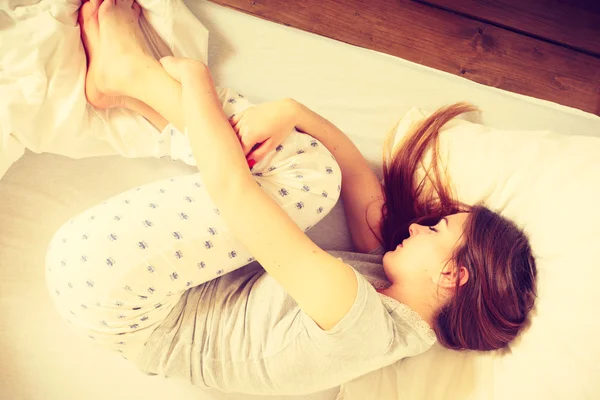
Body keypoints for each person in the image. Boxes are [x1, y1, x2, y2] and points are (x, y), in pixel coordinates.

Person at [45, 0, 538, 395]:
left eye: (435, 230)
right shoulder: (388, 307)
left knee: (307, 179)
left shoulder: (355, 317)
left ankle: (132, 75)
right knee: (318, 171)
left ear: (452, 275)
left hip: (110, 285)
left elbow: (234, 192)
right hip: (115, 288)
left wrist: (195, 79)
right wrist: (292, 110)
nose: (415, 226)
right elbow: (348, 166)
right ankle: (134, 92)